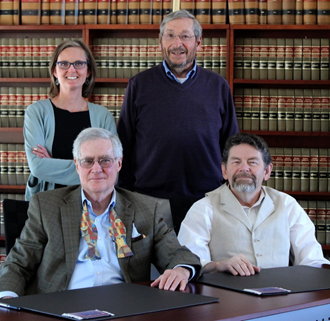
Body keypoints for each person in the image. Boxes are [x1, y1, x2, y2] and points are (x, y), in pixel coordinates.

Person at [0, 128, 201, 298]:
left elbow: (178, 254)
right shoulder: (46, 206)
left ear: (119, 164)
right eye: (88, 161)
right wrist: (6, 303)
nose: (97, 169)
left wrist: (180, 269)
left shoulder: (146, 208)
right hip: (60, 306)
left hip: (125, 307)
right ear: (77, 165)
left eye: (105, 160)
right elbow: (18, 264)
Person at [117, 10, 239, 231]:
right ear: (161, 41)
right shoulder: (139, 85)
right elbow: (124, 142)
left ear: (198, 42)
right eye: (170, 35)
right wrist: (126, 194)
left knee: (203, 265)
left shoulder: (218, 86)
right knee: (152, 266)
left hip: (207, 199)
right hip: (149, 199)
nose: (177, 43)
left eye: (185, 36)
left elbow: (231, 145)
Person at [178, 133, 329, 277]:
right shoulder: (204, 208)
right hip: (225, 299)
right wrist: (218, 265)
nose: (244, 168)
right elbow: (188, 264)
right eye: (236, 162)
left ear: (267, 171)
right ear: (224, 170)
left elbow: (312, 260)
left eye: (252, 162)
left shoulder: (287, 205)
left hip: (282, 299)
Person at [24, 39, 117, 201]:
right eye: (64, 64)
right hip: (47, 205)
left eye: (79, 64)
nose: (72, 69)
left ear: (88, 71)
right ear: (54, 71)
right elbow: (38, 167)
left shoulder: (103, 116)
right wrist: (92, 169)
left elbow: (111, 168)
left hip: (93, 205)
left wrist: (52, 164)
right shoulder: (36, 112)